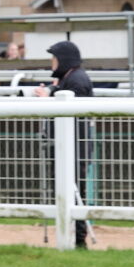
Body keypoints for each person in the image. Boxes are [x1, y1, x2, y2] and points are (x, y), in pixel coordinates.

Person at [34, 40, 94, 249]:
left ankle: (79, 239)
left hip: (74, 148)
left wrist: (49, 96)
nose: (52, 63)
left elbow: (70, 108)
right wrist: (51, 90)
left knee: (76, 193)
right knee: (69, 192)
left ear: (64, 60)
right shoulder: (70, 77)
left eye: (54, 58)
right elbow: (59, 89)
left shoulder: (77, 80)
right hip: (68, 147)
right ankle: (74, 237)